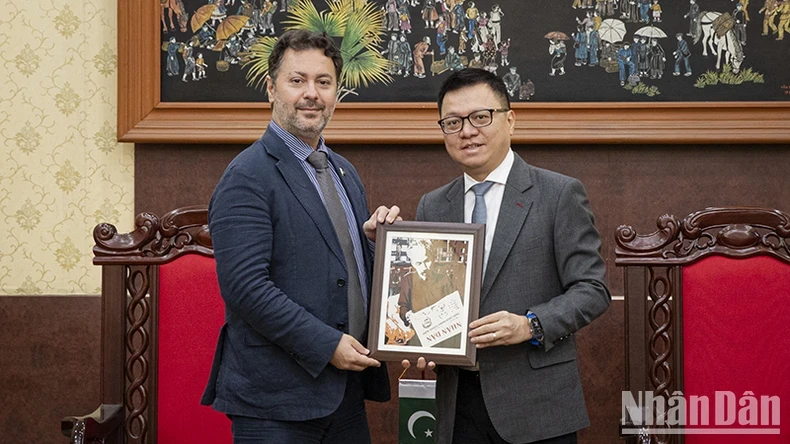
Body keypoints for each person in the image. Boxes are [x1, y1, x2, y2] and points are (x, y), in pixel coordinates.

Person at [200, 30, 400, 443]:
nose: (312, 93)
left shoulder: (343, 172)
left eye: (323, 82)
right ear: (271, 89)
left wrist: (373, 244)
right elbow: (245, 287)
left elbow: (337, 268)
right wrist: (327, 345)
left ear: (337, 94)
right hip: (276, 404)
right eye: (298, 81)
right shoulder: (247, 176)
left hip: (344, 393)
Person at [404, 68, 611, 444]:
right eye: (453, 122)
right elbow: (428, 298)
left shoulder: (558, 194)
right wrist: (418, 342)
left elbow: (593, 289)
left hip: (537, 406)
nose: (467, 131)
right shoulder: (433, 204)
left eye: (481, 117)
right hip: (458, 407)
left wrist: (529, 325)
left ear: (510, 120)